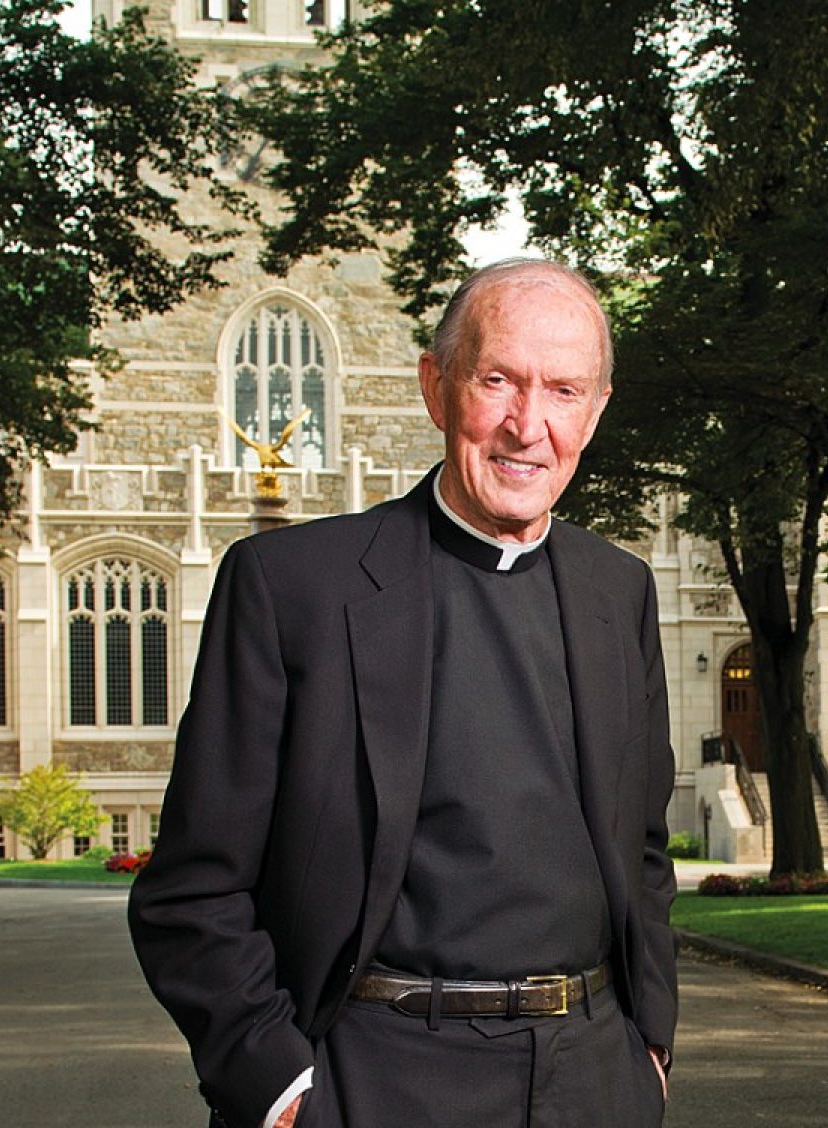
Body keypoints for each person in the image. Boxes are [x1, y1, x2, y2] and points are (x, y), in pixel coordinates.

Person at [129, 258, 678, 1128]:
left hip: (591, 1079)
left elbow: (643, 851)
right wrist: (280, 1088)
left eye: (564, 391)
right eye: (497, 380)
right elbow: (191, 891)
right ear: (437, 385)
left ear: (596, 410)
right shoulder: (290, 587)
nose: (527, 425)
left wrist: (648, 1047)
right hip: (374, 1076)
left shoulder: (620, 592)